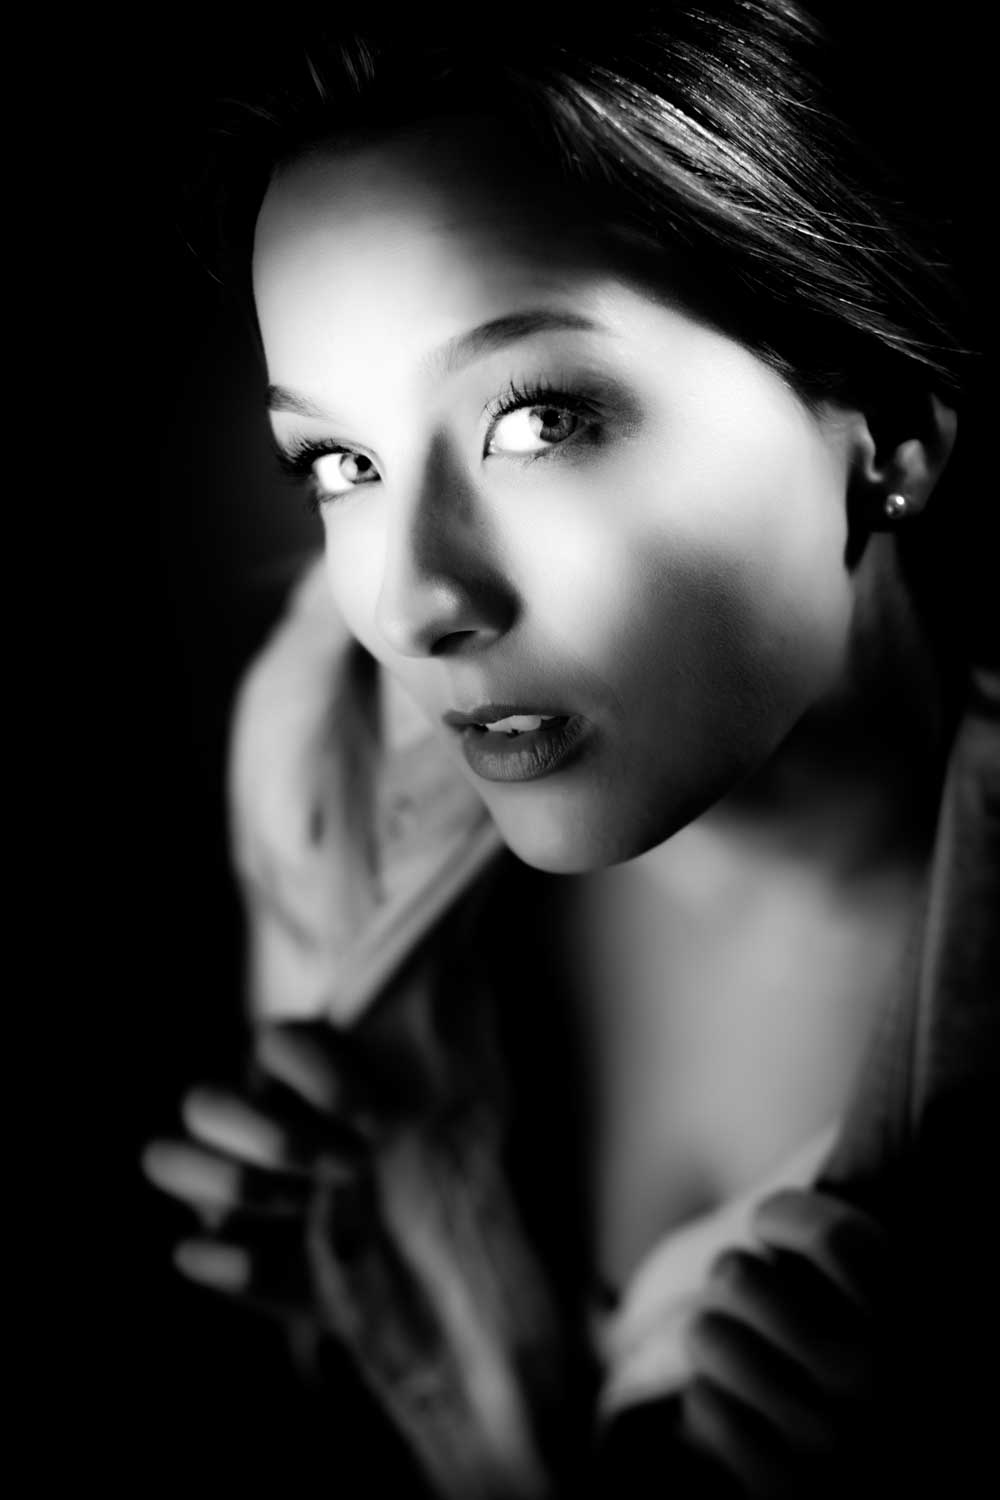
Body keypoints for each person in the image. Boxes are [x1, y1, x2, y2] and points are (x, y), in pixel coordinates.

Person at [140, 6, 996, 1496]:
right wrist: (331, 1311)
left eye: (538, 421)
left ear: (891, 432)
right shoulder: (336, 776)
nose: (407, 602)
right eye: (336, 464)